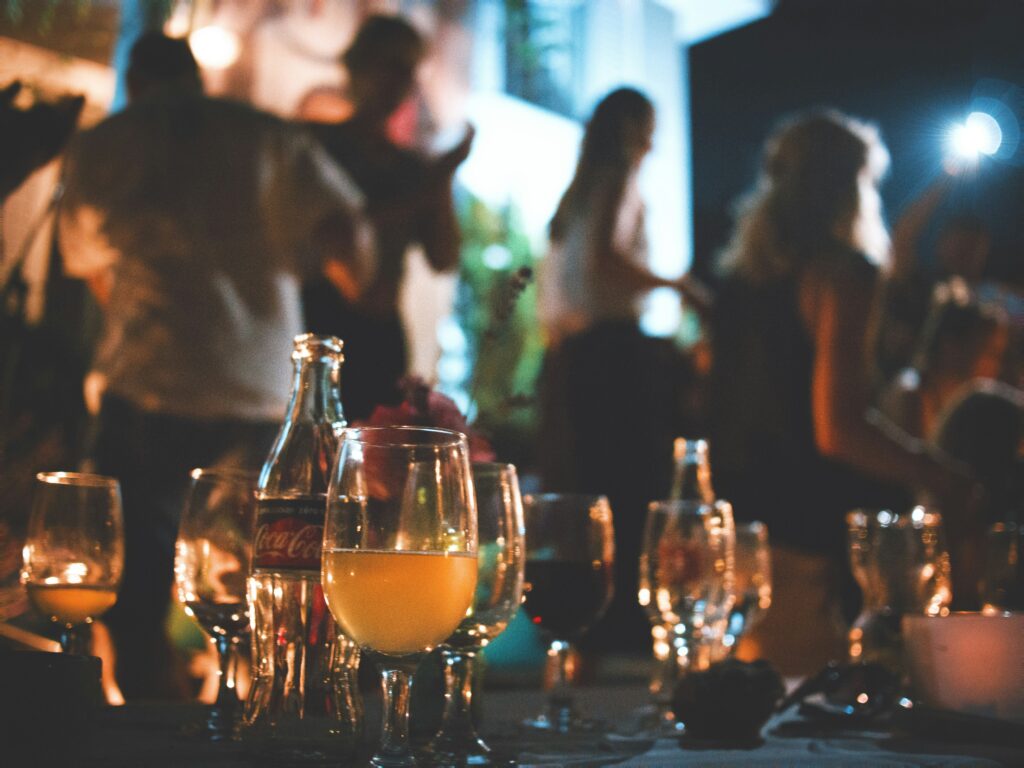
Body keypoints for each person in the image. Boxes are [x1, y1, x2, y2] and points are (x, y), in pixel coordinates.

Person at [58, 31, 373, 700]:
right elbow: (349, 246)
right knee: (258, 577)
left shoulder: (108, 141)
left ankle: (148, 722)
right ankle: (248, 715)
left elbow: (88, 266)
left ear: (137, 82)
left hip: (148, 379)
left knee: (139, 579)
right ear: (197, 79)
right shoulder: (265, 136)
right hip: (255, 389)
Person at [707, 110, 975, 675]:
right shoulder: (841, 275)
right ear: (851, 185)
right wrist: (938, 472)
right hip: (810, 545)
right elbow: (839, 430)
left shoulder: (739, 282)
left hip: (738, 534)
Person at [537, 87, 709, 654]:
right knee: (627, 486)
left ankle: (579, 631)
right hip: (611, 355)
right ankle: (623, 634)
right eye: (650, 124)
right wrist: (675, 284)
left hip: (571, 356)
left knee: (582, 487)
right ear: (633, 127)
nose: (654, 139)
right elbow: (606, 259)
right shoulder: (618, 178)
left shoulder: (576, 190)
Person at [303, 13, 472, 420]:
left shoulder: (411, 168)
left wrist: (441, 181)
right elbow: (324, 232)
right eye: (388, 65)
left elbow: (443, 256)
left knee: (378, 463)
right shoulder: (318, 149)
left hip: (382, 333)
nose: (398, 82)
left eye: (407, 70)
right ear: (357, 68)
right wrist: (427, 189)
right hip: (319, 321)